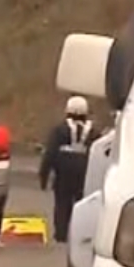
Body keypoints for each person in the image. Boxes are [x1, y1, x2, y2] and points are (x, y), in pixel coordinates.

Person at [39, 96, 97, 241]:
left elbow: (50, 153)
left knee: (62, 204)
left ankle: (61, 234)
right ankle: (81, 233)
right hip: (84, 172)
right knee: (82, 203)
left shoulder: (60, 130)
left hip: (63, 173)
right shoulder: (93, 132)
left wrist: (43, 176)